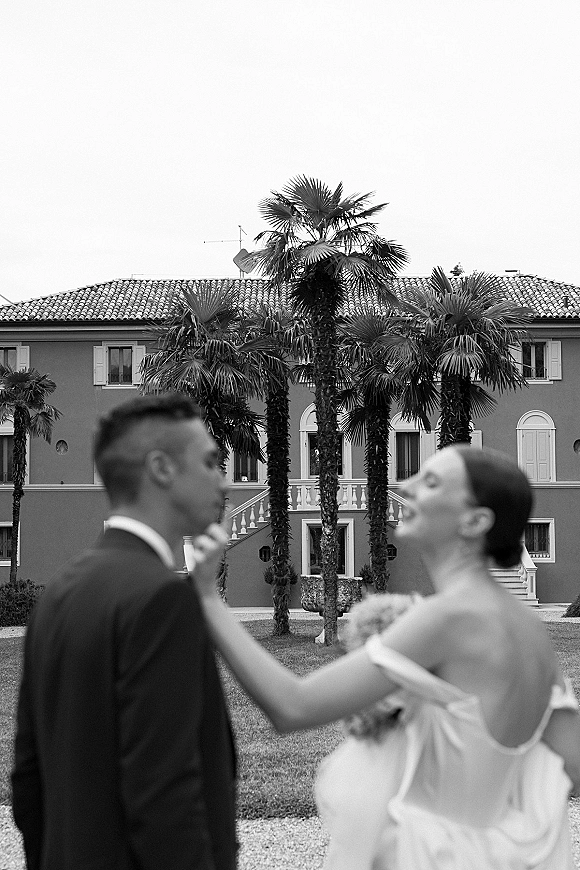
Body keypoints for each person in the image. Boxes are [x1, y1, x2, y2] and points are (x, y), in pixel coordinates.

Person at [191, 444, 580, 869]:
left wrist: (208, 598)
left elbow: (293, 706)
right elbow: (570, 765)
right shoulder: (525, 626)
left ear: (475, 521)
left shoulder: (449, 617)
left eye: (430, 482)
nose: (407, 485)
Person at [11, 393, 236, 870]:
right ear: (162, 468)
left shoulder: (57, 593)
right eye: (211, 460)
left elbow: (28, 782)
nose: (224, 478)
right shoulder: (162, 599)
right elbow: (165, 797)